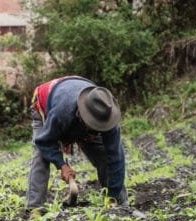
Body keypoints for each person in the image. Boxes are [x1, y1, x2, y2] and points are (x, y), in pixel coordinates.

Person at [26, 76, 128, 213]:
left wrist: (113, 196)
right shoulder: (63, 112)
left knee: (103, 155)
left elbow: (116, 158)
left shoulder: (106, 116)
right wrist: (61, 165)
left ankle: (120, 205)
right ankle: (35, 208)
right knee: (41, 156)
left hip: (75, 95)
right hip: (46, 102)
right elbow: (44, 141)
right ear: (82, 116)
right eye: (92, 124)